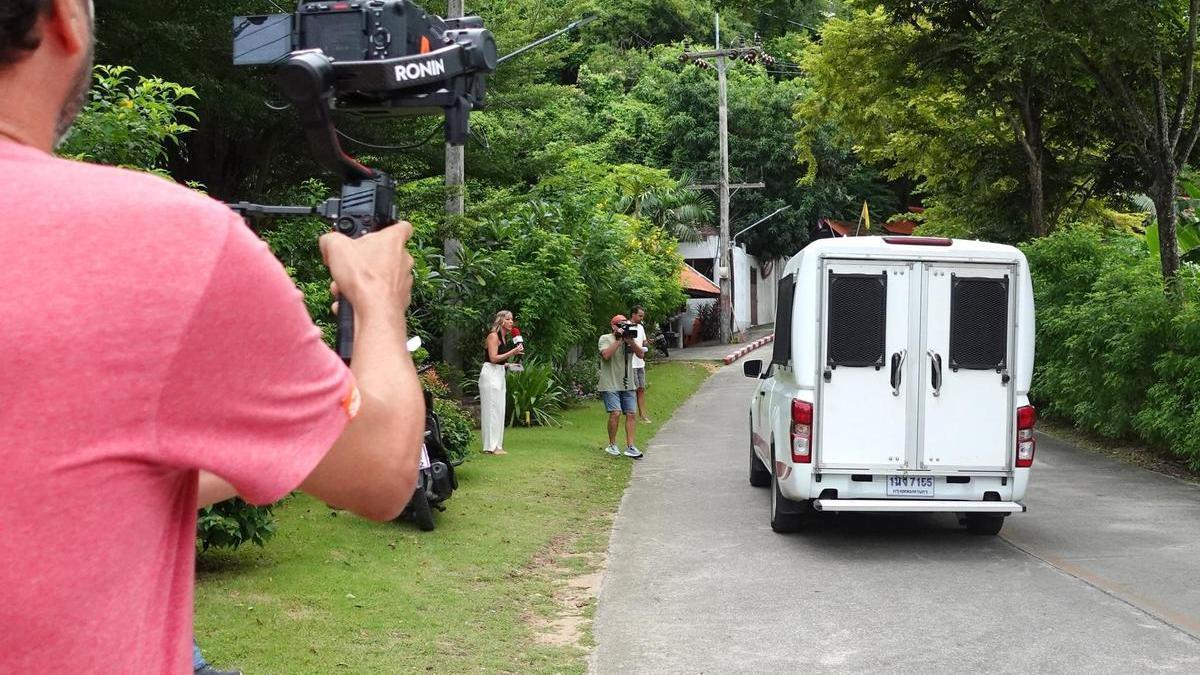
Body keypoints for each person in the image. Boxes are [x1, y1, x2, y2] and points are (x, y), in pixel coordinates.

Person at [0, 2, 426, 671]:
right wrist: (378, 299)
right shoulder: (159, 246)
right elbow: (383, 470)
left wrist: (274, 433)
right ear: (63, 18)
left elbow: (67, 486)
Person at [599, 315, 646, 459]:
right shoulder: (605, 338)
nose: (624, 327)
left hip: (628, 383)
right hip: (610, 382)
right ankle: (612, 444)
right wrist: (619, 340)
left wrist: (630, 340)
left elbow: (641, 355)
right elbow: (606, 355)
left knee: (631, 413)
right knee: (616, 413)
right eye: (621, 324)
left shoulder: (629, 339)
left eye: (626, 324)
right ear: (613, 326)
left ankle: (631, 446)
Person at [480, 310, 523, 454]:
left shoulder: (505, 338)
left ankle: (498, 444)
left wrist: (509, 365)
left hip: (499, 373)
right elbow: (492, 358)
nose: (511, 322)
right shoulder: (493, 336)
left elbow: (499, 360)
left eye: (512, 319)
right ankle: (490, 447)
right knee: (491, 409)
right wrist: (512, 352)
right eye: (508, 319)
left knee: (499, 409)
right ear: (501, 321)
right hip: (490, 374)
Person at [629, 305, 652, 423]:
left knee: (641, 388)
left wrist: (646, 346)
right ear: (633, 314)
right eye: (639, 316)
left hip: (640, 363)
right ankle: (632, 414)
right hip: (631, 363)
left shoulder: (641, 327)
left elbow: (644, 341)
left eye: (642, 316)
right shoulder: (627, 326)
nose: (641, 318)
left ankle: (643, 414)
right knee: (634, 389)